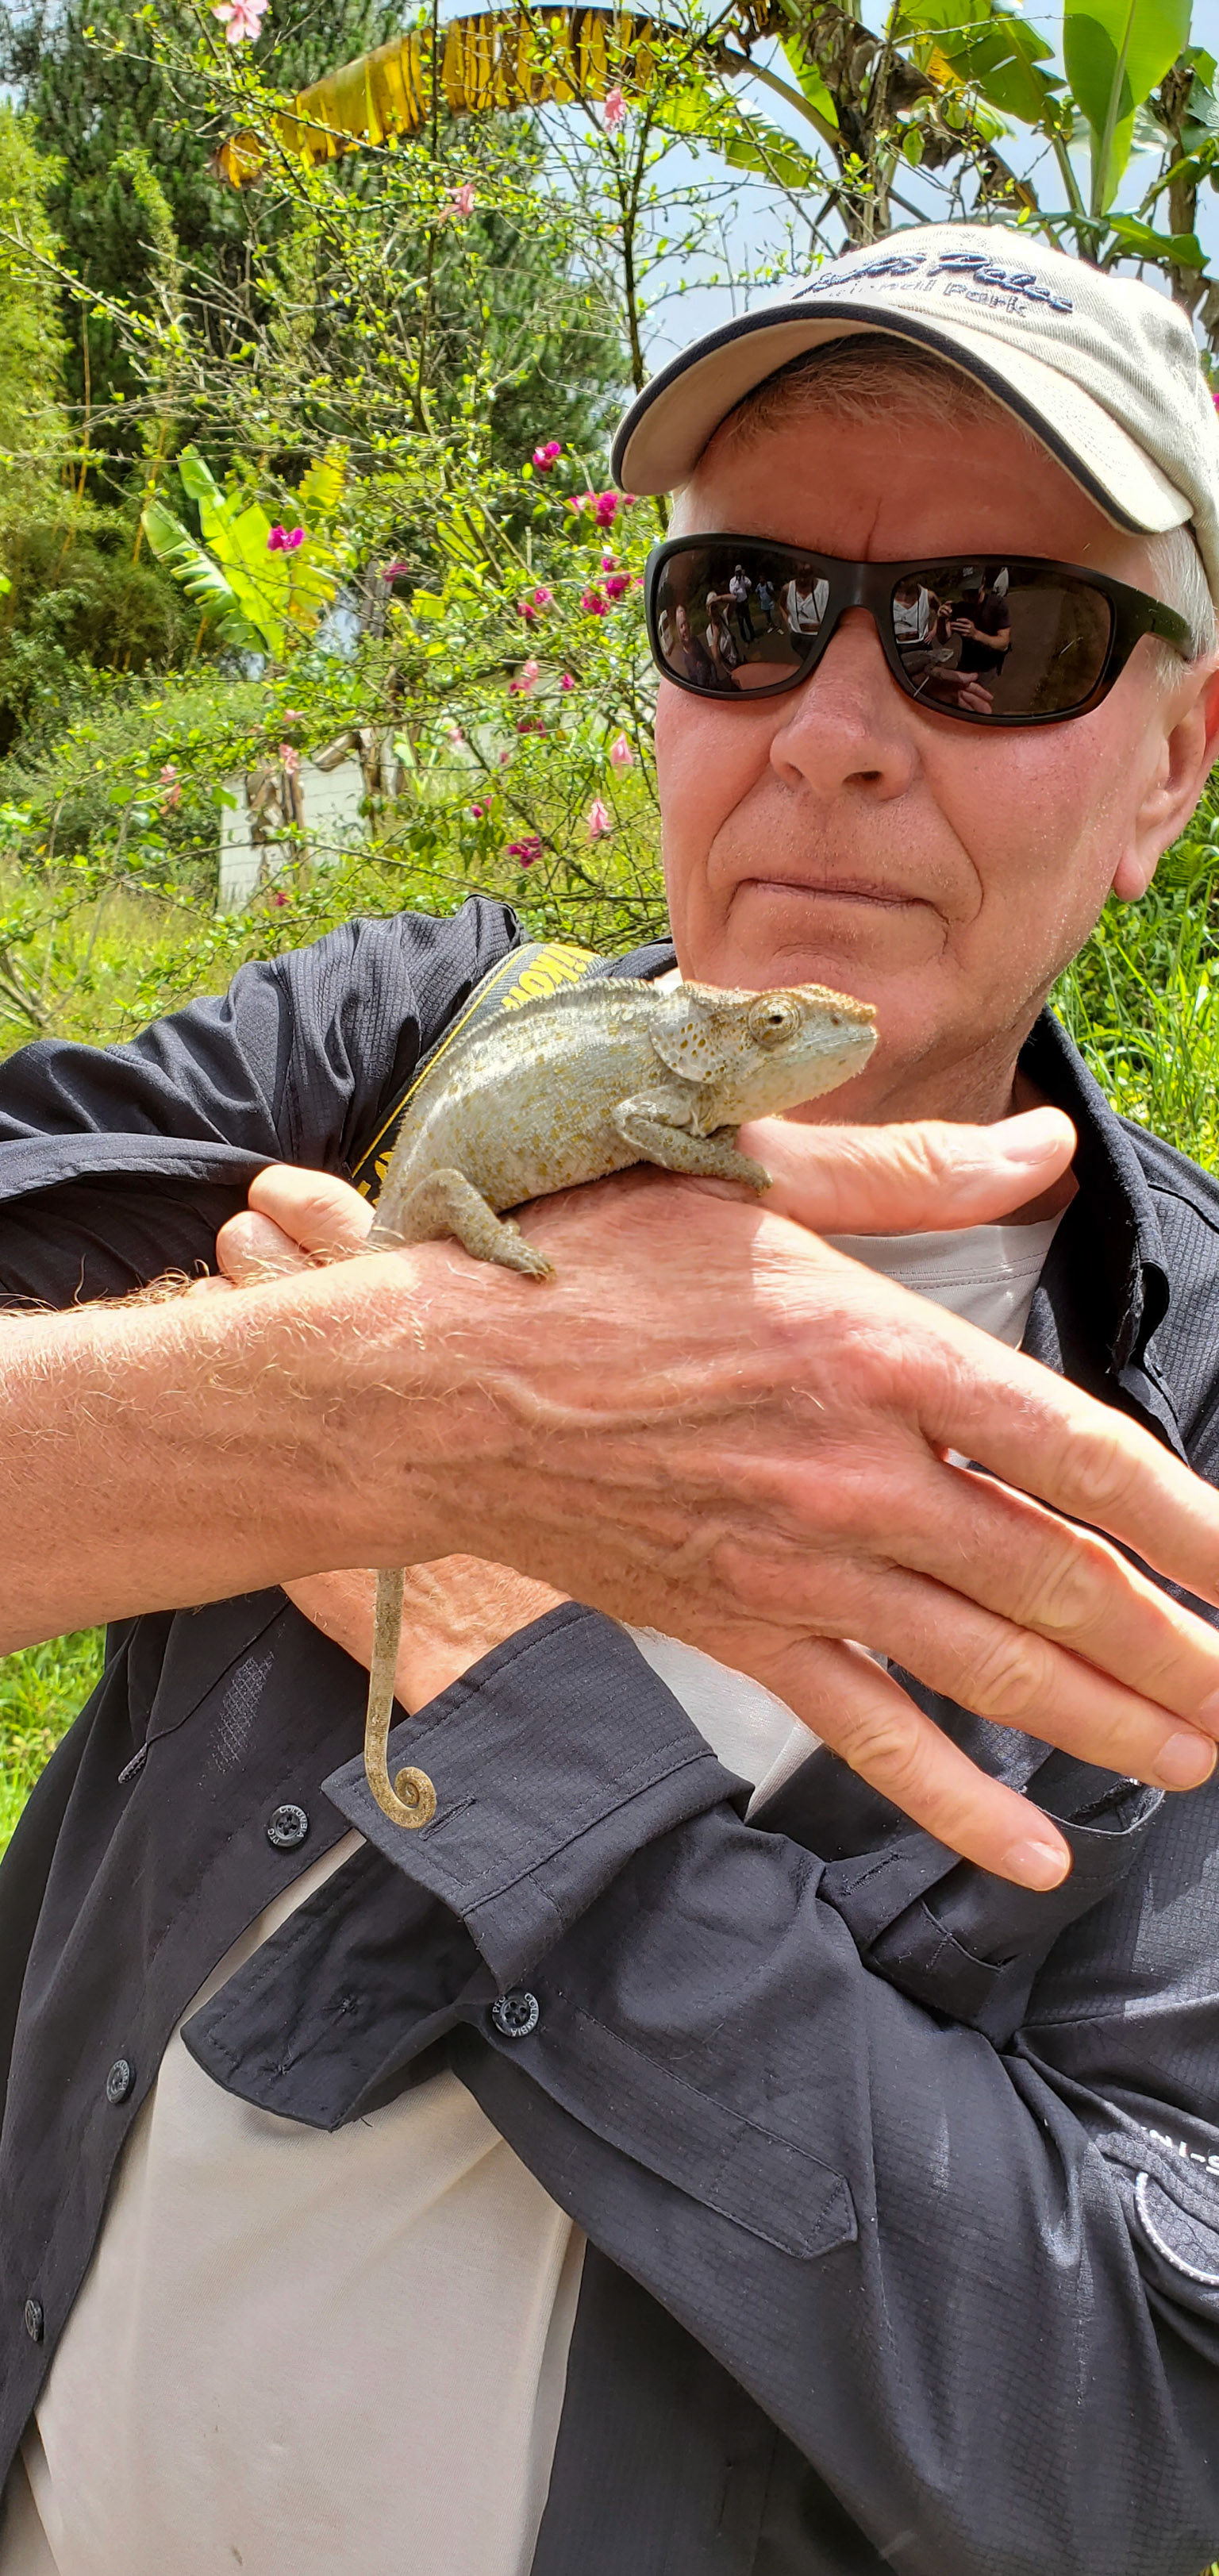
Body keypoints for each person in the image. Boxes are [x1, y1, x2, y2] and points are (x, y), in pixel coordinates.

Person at [2, 219, 1219, 2576]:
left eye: (1000, 634)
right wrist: (362, 1413)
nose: (838, 729)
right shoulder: (391, 1046)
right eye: (748, 608)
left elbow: (1131, 2429)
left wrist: (511, 1685)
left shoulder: (1176, 1433)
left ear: (1170, 762)